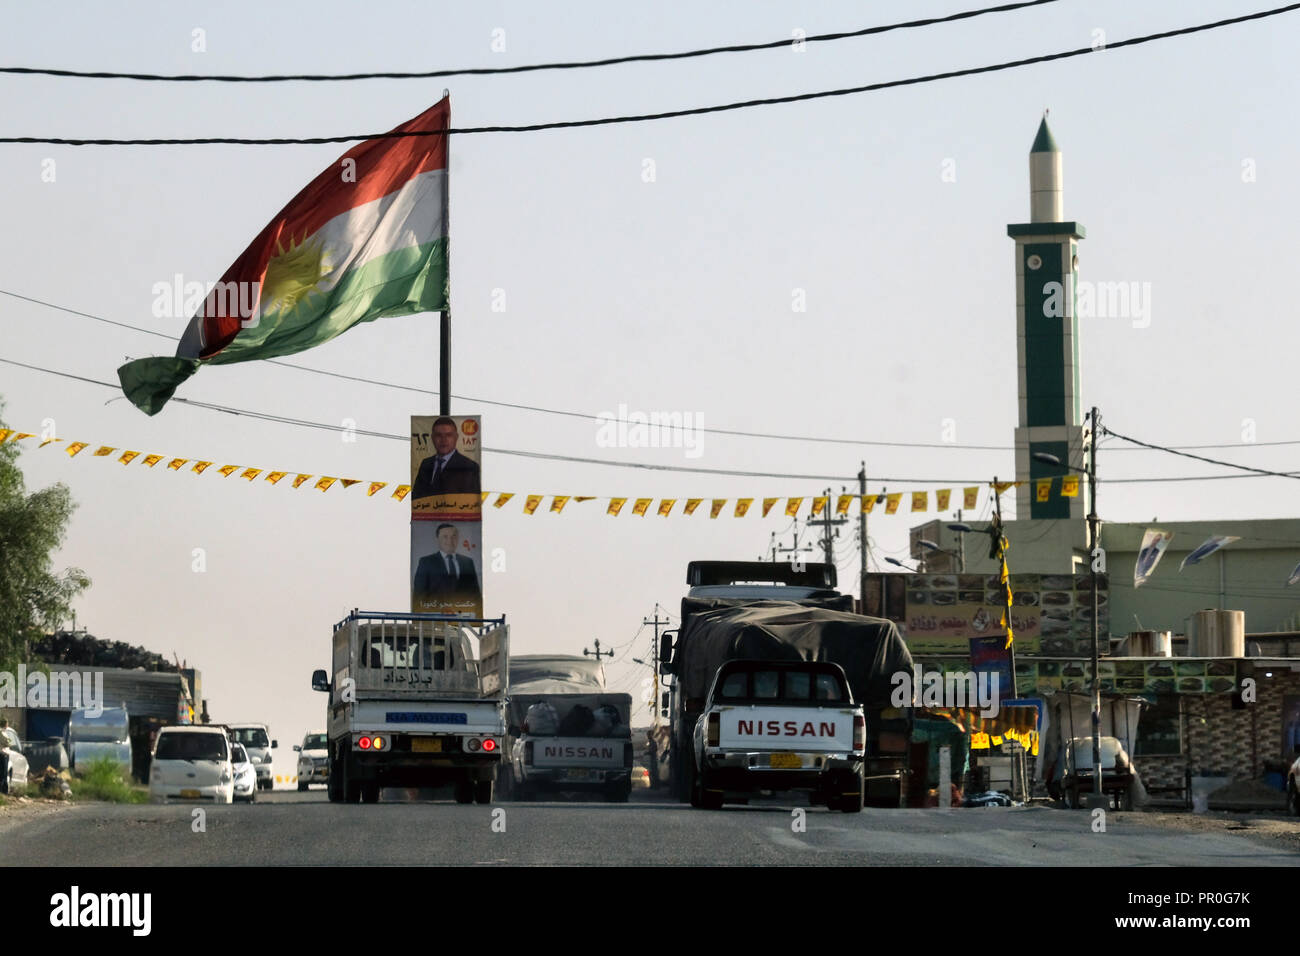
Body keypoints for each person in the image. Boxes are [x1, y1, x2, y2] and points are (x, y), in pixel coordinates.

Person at [412, 417, 480, 499]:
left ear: (456, 437)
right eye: (438, 435)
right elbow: (416, 497)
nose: (443, 440)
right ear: (432, 438)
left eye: (448, 435)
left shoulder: (470, 466)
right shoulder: (426, 463)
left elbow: (471, 501)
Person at [413, 524, 481, 604]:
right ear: (437, 539)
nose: (450, 541)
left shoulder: (468, 562)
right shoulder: (426, 562)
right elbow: (419, 595)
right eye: (445, 537)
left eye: (454, 537)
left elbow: (476, 595)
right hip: (435, 613)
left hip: (463, 613)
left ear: (458, 538)